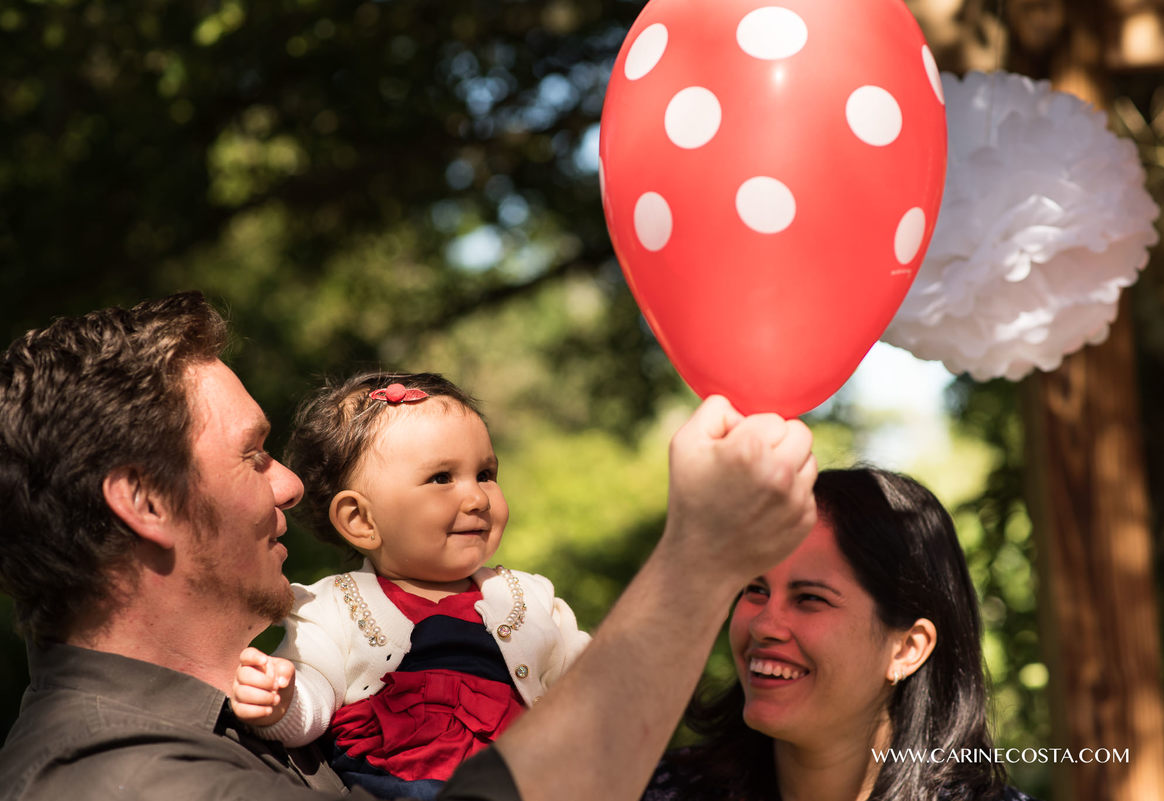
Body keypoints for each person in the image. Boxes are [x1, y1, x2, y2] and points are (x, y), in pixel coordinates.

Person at [0, 291, 818, 801]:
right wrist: (698, 561)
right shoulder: (110, 780)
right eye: (253, 454)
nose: (289, 483)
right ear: (146, 500)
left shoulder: (248, 717)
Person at [230, 372, 591, 800]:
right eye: (442, 478)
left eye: (485, 473)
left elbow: (596, 688)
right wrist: (282, 703)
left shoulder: (528, 600)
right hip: (397, 787)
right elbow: (316, 693)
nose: (477, 498)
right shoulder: (333, 608)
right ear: (360, 521)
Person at [643, 467, 1036, 801]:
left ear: (907, 649)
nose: (763, 625)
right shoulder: (658, 790)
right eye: (755, 589)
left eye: (810, 598)